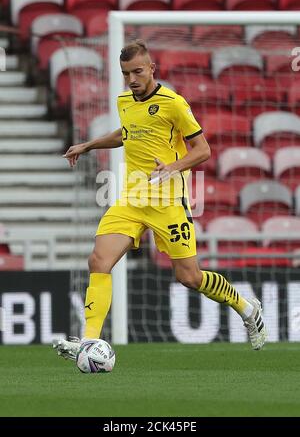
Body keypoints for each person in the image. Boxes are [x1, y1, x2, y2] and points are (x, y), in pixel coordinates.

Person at [53, 40, 266, 360]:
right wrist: (89, 145)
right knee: (98, 261)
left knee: (189, 277)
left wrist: (174, 167)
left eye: (138, 71)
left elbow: (203, 150)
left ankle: (247, 309)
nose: (132, 79)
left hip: (168, 201)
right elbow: (126, 133)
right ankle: (88, 342)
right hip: (132, 200)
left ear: (152, 68)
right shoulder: (124, 100)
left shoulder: (174, 103)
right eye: (126, 73)